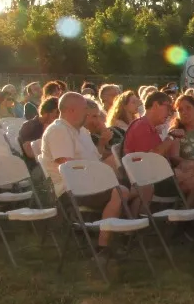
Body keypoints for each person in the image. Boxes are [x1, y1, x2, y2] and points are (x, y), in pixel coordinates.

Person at [41, 92, 130, 247]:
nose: (87, 113)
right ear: (71, 110)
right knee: (121, 191)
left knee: (135, 187)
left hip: (90, 183)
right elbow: (67, 167)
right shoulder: (58, 130)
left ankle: (124, 236)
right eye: (84, 109)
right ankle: (103, 245)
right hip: (71, 189)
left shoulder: (82, 131)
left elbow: (96, 159)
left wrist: (103, 148)